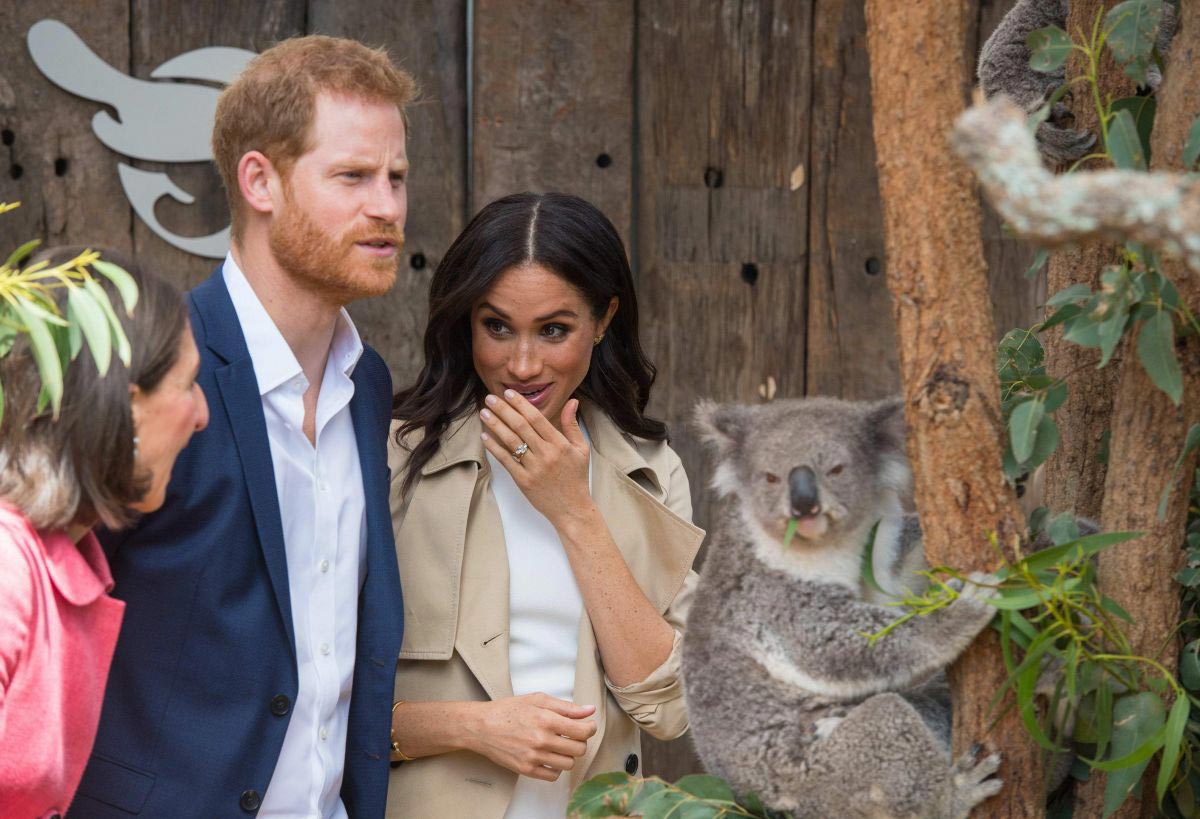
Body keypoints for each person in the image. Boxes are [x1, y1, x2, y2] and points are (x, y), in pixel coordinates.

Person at [72, 36, 412, 818]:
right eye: (354, 176)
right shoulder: (151, 372)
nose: (388, 206)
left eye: (396, 177)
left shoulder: (369, 387)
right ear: (260, 180)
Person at [386, 192, 705, 818]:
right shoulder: (393, 461)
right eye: (496, 326)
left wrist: (573, 509)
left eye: (554, 330)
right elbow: (315, 708)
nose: (522, 364)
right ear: (465, 320)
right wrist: (473, 728)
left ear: (605, 318)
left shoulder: (652, 472)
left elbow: (673, 708)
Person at [0, 252, 208, 817]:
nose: (202, 414)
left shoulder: (67, 556)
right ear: (125, 404)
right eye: (188, 385)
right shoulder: (7, 570)